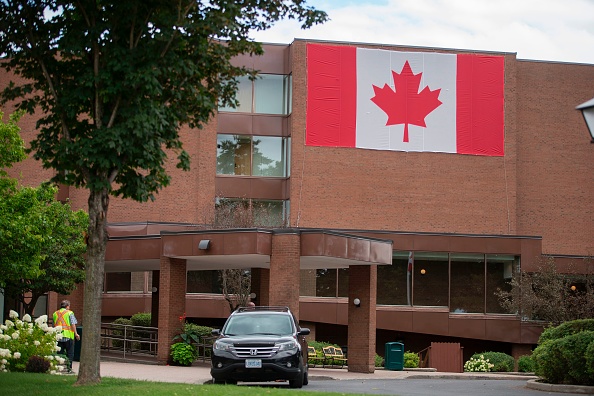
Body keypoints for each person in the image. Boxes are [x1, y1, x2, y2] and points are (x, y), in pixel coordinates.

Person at [53, 300, 80, 373]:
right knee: (70, 354)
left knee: (59, 354)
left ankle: (59, 369)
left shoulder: (55, 313)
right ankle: (69, 369)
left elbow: (54, 324)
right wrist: (76, 334)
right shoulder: (70, 313)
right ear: (67, 306)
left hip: (58, 336)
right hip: (68, 336)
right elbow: (73, 324)